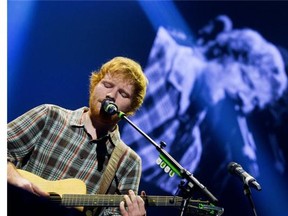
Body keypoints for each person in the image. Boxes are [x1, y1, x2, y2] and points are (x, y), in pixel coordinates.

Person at [7, 56, 148, 216]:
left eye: (123, 94)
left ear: (130, 109)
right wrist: (16, 180)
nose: (111, 95)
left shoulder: (129, 162)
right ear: (94, 85)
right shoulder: (49, 115)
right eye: (107, 84)